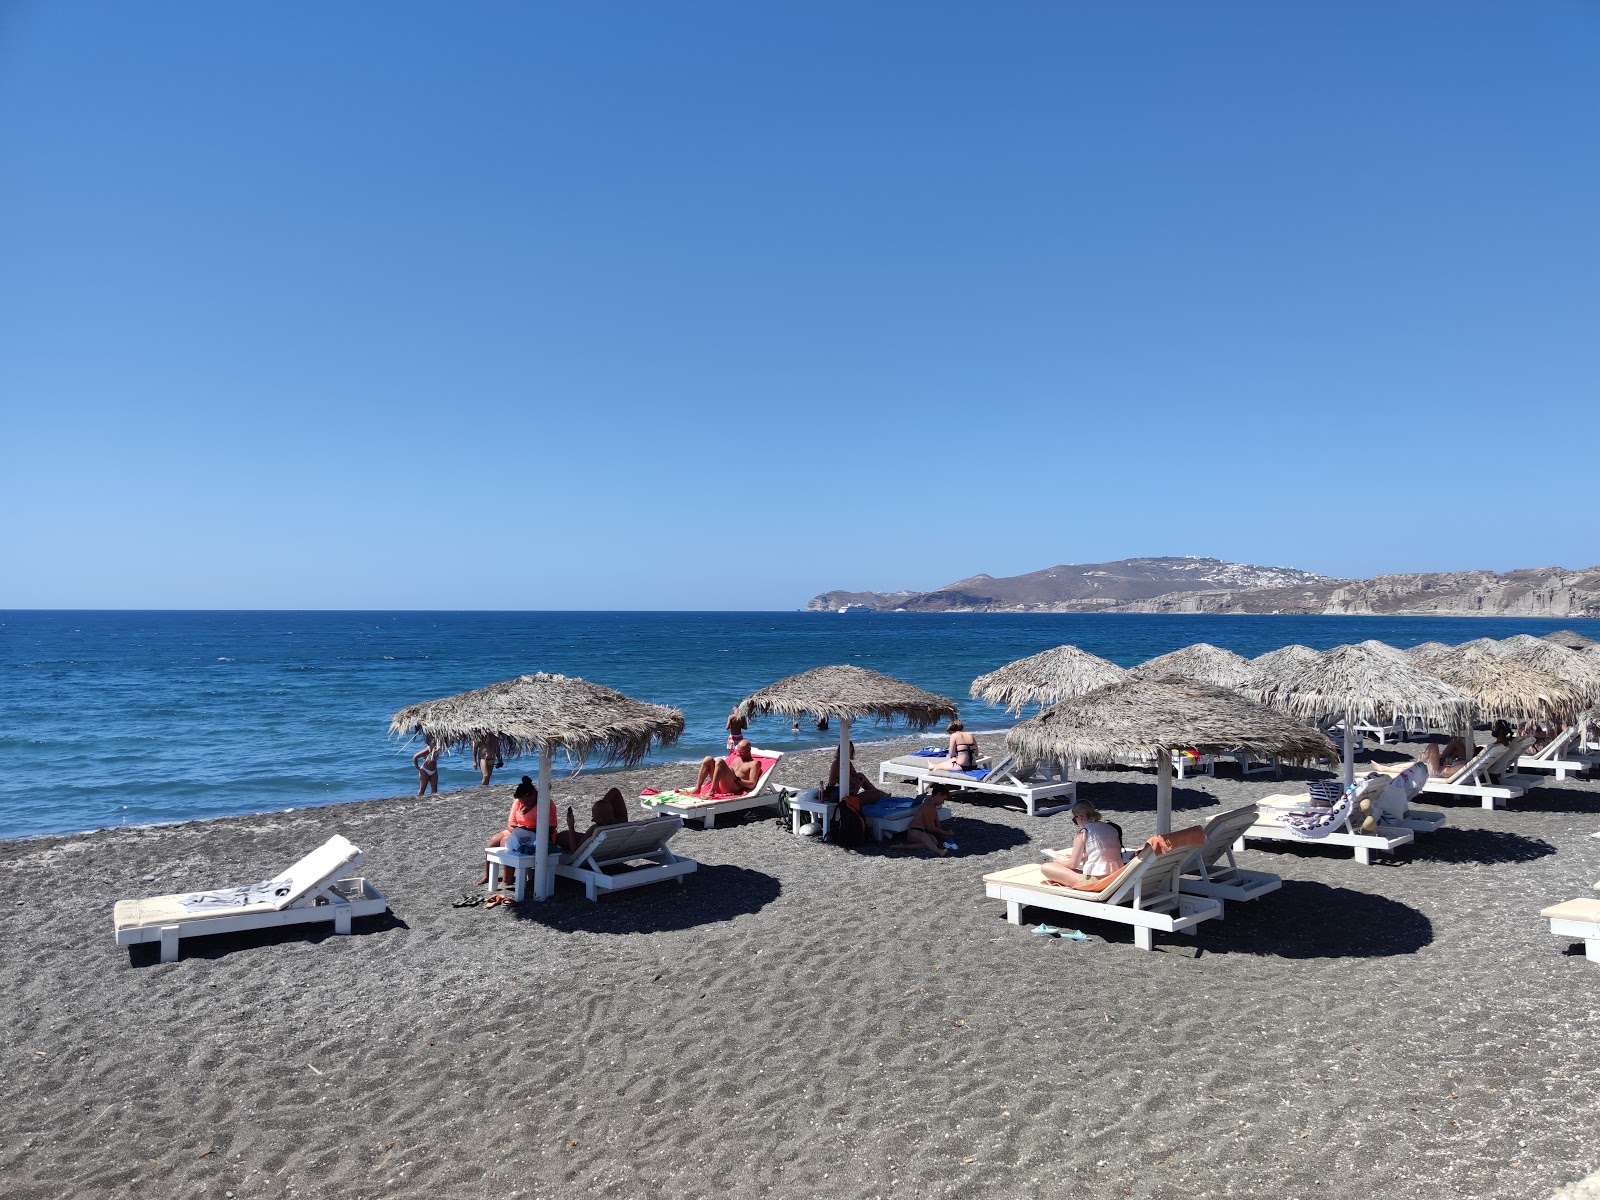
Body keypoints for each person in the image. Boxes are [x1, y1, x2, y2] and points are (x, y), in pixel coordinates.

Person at [478, 776, 557, 888]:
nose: (525, 804)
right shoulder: (518, 802)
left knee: (506, 842)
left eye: (528, 801)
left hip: (539, 835)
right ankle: (488, 875)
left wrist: (527, 831)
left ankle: (507, 879)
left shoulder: (545, 803)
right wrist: (518, 831)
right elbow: (510, 824)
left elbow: (551, 828)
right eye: (523, 802)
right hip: (519, 831)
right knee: (492, 841)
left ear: (534, 795)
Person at [1040, 800, 1124, 888]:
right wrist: (1082, 858)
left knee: (1046, 867)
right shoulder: (1111, 828)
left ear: (1080, 817)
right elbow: (1105, 853)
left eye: (1074, 819)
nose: (1076, 823)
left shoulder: (1083, 833)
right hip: (1115, 877)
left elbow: (1072, 865)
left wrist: (1059, 861)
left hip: (1096, 883)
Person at [556, 787, 630, 853]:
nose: (592, 820)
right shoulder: (622, 820)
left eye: (594, 817)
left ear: (601, 820)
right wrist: (602, 805)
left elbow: (575, 851)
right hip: (612, 847)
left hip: (597, 849)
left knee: (562, 837)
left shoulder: (595, 830)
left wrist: (571, 826)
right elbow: (615, 791)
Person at [891, 784, 957, 856]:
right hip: (914, 831)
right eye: (943, 799)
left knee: (934, 842)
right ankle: (939, 851)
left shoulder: (933, 805)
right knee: (925, 838)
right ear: (939, 794)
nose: (943, 802)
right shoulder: (927, 805)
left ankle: (903, 846)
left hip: (922, 831)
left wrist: (942, 834)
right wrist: (945, 833)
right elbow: (930, 827)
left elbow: (936, 820)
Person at [691, 739, 765, 797]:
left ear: (748, 750)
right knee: (708, 759)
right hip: (723, 784)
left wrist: (737, 779)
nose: (738, 754)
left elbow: (752, 784)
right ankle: (698, 788)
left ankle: (712, 791)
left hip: (733, 788)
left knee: (720, 761)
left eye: (741, 752)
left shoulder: (753, 764)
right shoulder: (736, 760)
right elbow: (726, 773)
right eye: (738, 751)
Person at [824, 742, 889, 802]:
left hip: (850, 791)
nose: (848, 752)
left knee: (861, 776)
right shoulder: (837, 763)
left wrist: (854, 780)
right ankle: (881, 794)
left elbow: (856, 776)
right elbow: (832, 782)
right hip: (839, 795)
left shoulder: (848, 762)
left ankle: (881, 793)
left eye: (850, 750)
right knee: (876, 794)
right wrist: (848, 779)